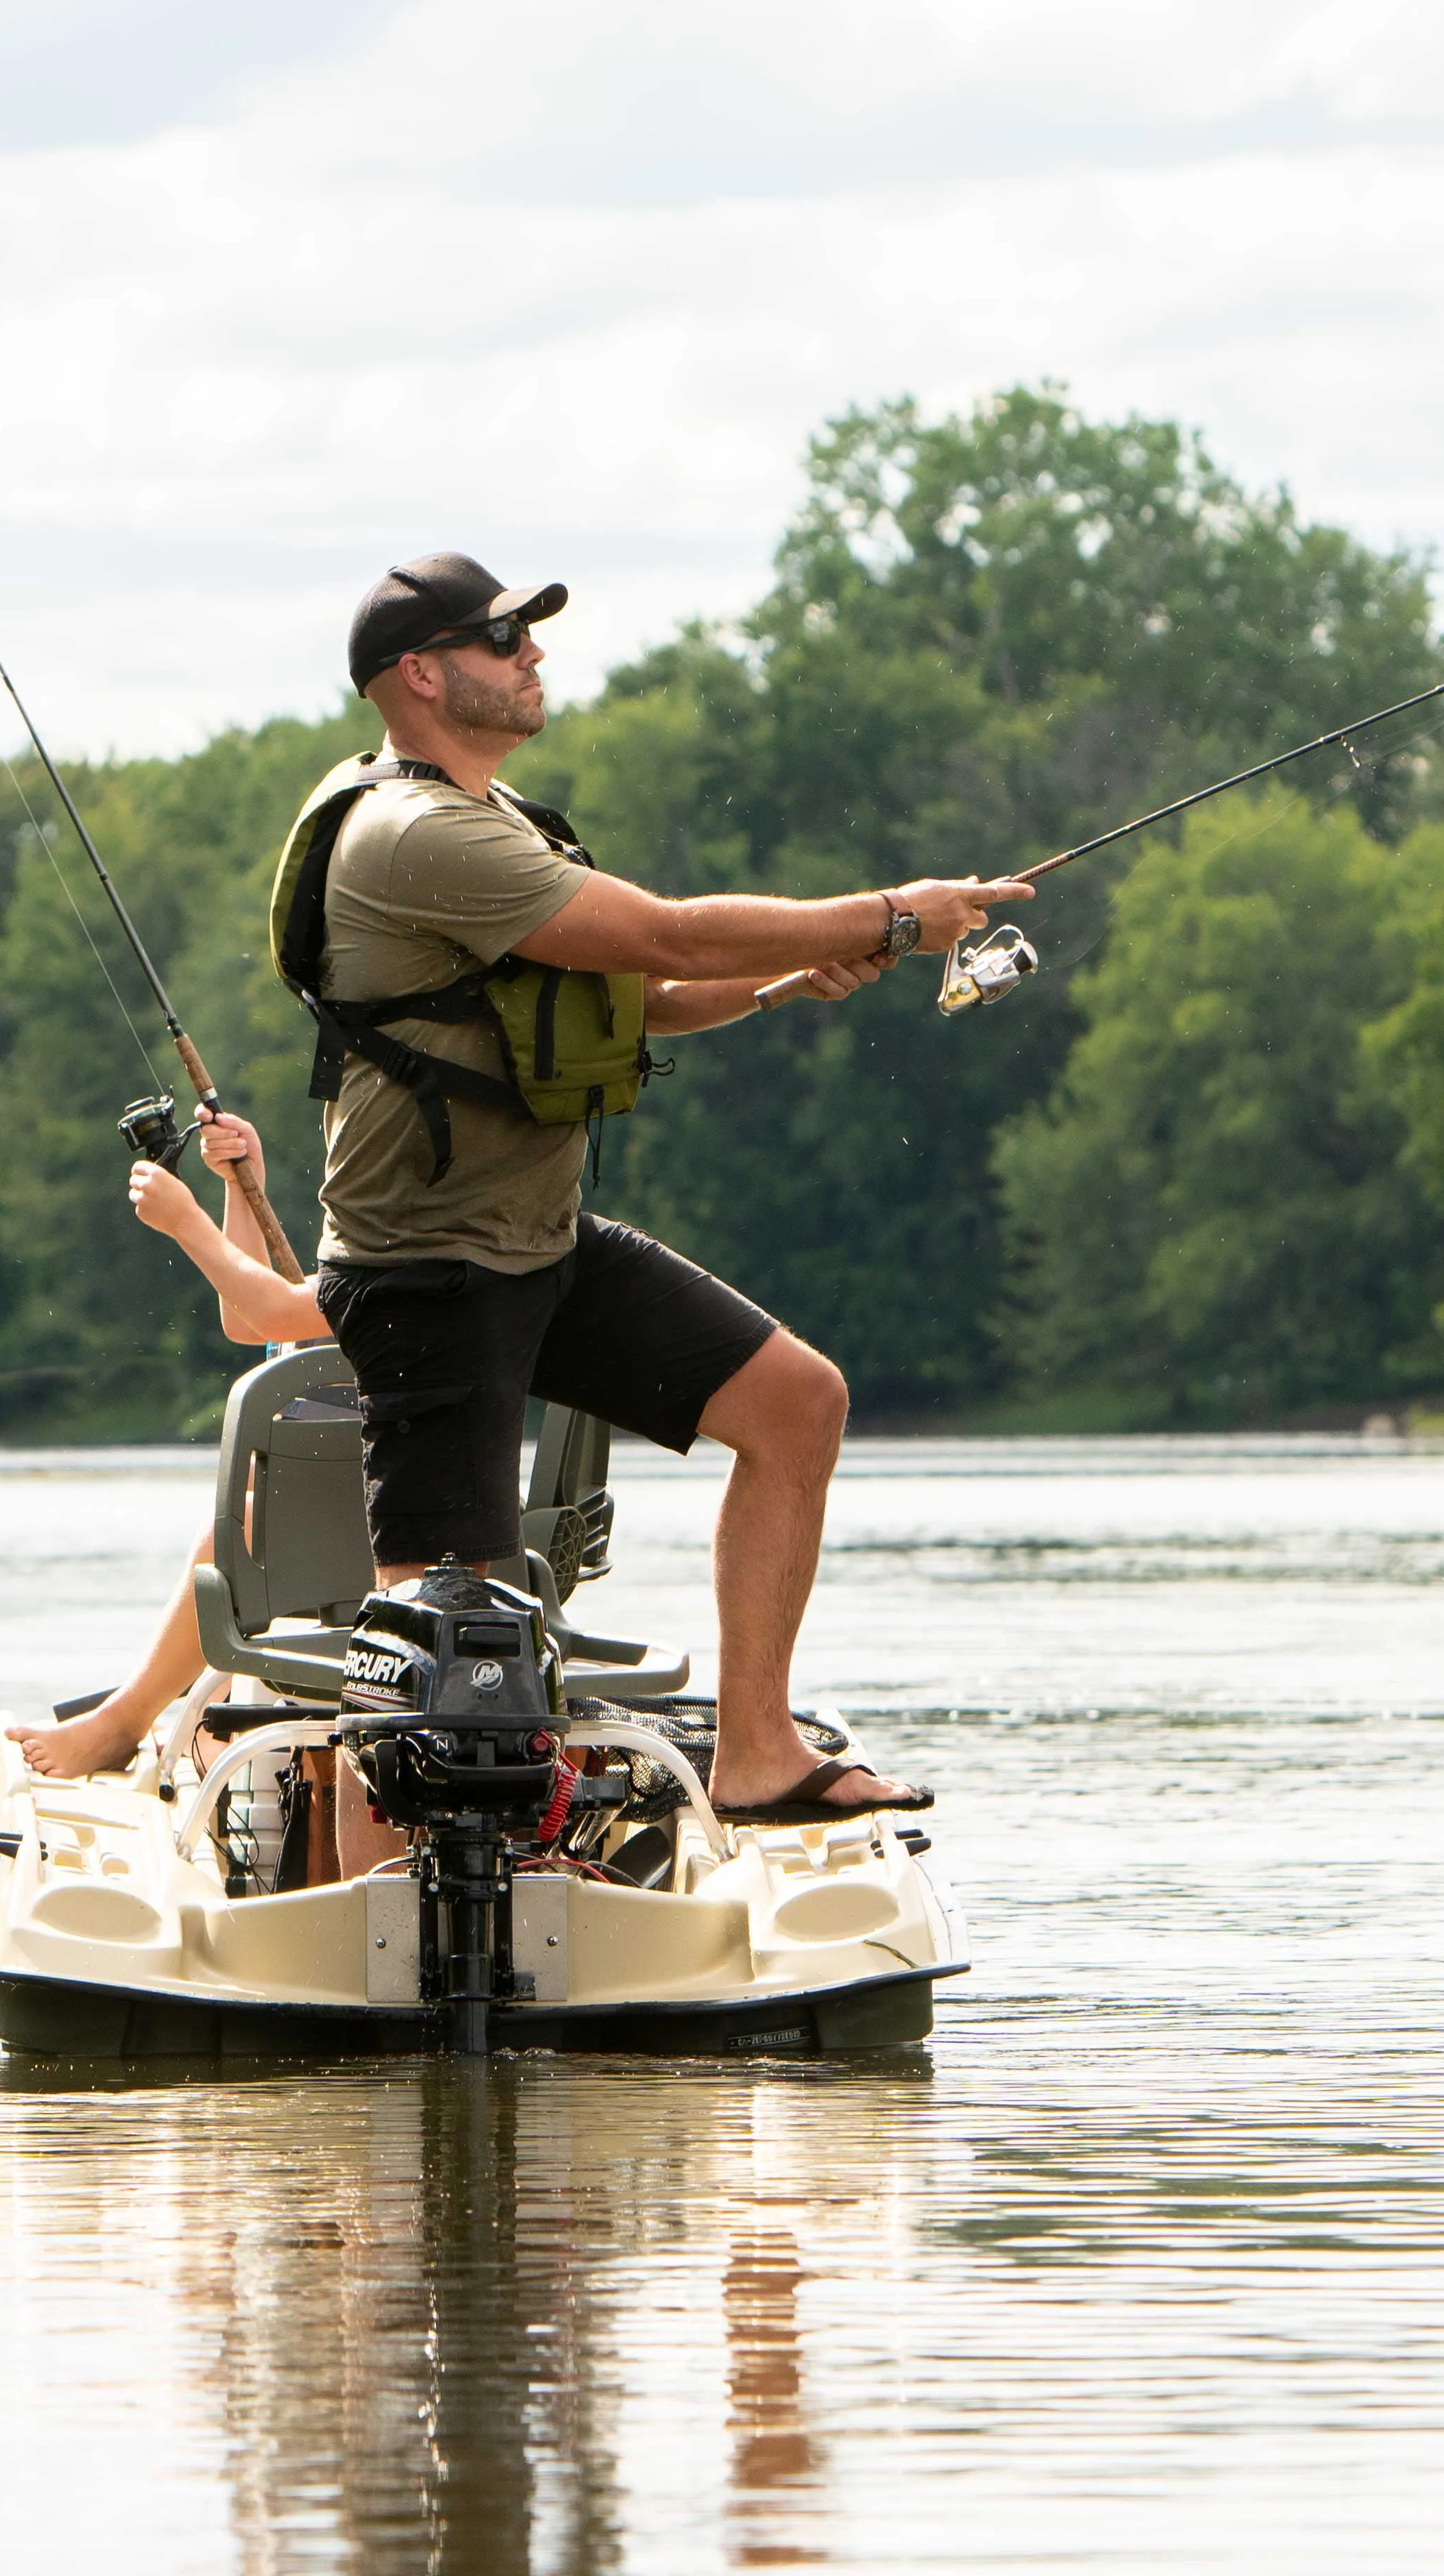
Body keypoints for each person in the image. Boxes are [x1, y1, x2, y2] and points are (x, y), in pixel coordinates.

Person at [288, 551, 1032, 1823]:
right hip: (428, 1266)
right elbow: (668, 933)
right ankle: (372, 1891)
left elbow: (643, 994)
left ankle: (758, 1754)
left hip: (535, 1240)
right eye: (501, 639)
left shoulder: (497, 818)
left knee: (798, 1403)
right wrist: (895, 915)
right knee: (432, 1611)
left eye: (527, 637)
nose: (533, 656)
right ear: (420, 676)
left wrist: (803, 975)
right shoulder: (415, 834)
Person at [3, 1108, 324, 1779]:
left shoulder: (414, 1262)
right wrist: (242, 1189)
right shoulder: (428, 1249)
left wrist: (185, 1219)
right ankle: (135, 1712)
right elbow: (253, 1317)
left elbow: (273, 1311)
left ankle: (123, 1723)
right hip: (398, 1513)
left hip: (401, 1527)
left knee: (235, 1533)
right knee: (243, 1517)